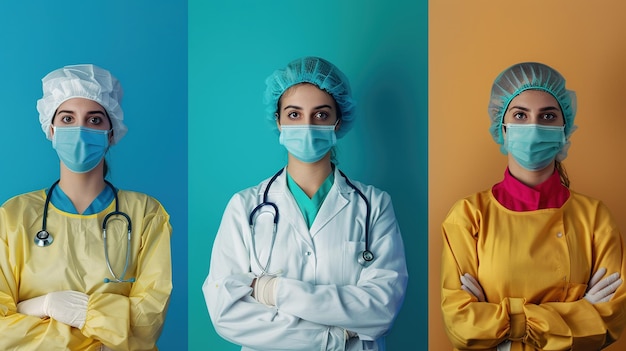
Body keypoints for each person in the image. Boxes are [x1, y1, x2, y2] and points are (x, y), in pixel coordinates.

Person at [203, 56, 408, 351]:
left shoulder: (374, 205)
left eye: (321, 115)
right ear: (278, 120)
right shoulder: (244, 207)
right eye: (294, 114)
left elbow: (381, 309)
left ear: (338, 121)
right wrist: (333, 337)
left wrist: (273, 290)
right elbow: (225, 312)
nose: (308, 125)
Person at [440, 62, 626, 350]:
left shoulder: (595, 218)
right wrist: (580, 311)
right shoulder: (467, 215)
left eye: (548, 116)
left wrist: (498, 318)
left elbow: (609, 321)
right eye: (520, 115)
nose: (534, 127)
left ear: (564, 128)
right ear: (502, 127)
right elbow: (462, 327)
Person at [0, 64, 173, 350]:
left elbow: (146, 321)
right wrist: (107, 324)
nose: (79, 131)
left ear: (111, 132)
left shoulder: (146, 214)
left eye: (94, 120)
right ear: (51, 129)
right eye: (67, 118)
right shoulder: (13, 216)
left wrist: (37, 308)